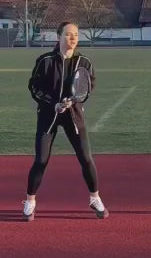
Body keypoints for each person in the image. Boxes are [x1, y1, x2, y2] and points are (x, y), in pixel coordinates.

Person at [23, 21, 108, 221]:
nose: (73, 38)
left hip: (74, 116)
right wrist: (53, 104)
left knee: (86, 158)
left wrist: (74, 101)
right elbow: (34, 87)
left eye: (76, 35)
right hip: (48, 115)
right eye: (68, 34)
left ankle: (95, 198)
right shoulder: (45, 61)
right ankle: (30, 201)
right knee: (41, 160)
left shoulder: (84, 62)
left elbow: (88, 88)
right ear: (58, 37)